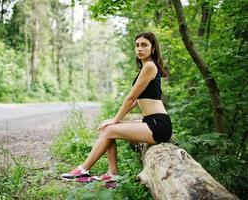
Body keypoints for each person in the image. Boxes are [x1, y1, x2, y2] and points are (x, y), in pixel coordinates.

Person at [61, 32, 172, 186]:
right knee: (107, 129)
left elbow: (130, 98)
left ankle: (83, 169)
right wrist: (114, 121)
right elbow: (137, 100)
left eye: (144, 45)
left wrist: (115, 119)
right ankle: (112, 174)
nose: (139, 48)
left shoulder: (149, 66)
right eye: (137, 45)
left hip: (158, 125)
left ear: (153, 48)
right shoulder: (147, 67)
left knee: (109, 129)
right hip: (152, 122)